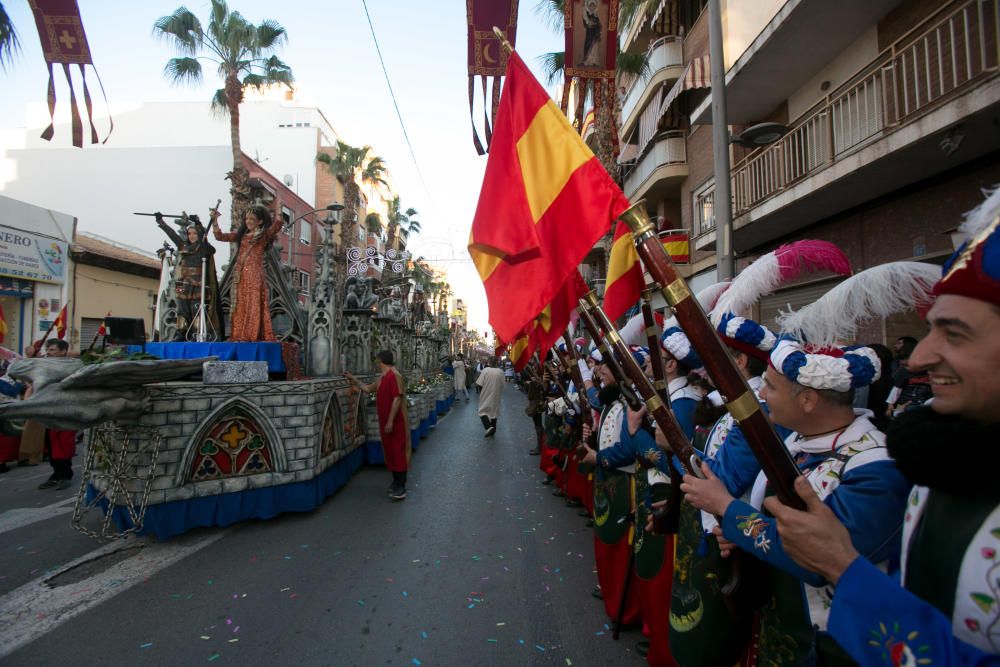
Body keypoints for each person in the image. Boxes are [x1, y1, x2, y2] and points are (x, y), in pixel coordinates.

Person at [762, 189, 1000, 664]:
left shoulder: (879, 464)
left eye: (954, 334)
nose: (919, 358)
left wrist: (840, 566)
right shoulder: (939, 473)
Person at [682, 338, 912, 665]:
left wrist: (729, 510)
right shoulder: (797, 445)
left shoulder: (876, 467)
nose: (761, 395)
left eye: (771, 388)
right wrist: (738, 534)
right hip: (778, 624)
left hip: (833, 647)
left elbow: (819, 558)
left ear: (807, 399)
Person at [211, 203, 283, 342]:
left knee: (253, 304)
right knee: (240, 304)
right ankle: (240, 334)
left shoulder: (263, 236)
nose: (248, 222)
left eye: (252, 219)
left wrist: (280, 210)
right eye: (247, 219)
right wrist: (215, 220)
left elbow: (277, 225)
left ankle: (252, 335)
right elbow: (219, 236)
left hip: (255, 275)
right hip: (240, 275)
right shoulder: (241, 236)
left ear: (260, 221)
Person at [346, 350, 411, 500]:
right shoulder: (382, 378)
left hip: (396, 422)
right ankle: (395, 482)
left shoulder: (394, 375)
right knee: (390, 452)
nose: (376, 364)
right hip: (386, 423)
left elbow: (397, 398)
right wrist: (353, 378)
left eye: (377, 361)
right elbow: (368, 388)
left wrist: (390, 420)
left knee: (398, 452)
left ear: (381, 361)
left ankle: (401, 485)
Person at [155, 212, 222, 341]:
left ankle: (196, 333)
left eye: (194, 233)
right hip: (183, 283)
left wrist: (197, 223)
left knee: (196, 309)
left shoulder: (203, 247)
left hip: (198, 284)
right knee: (182, 310)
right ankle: (181, 333)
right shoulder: (183, 246)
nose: (191, 236)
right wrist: (161, 222)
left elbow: (204, 234)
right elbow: (173, 235)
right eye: (189, 233)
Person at [35, 339, 78, 490]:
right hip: (50, 408)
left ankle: (65, 474)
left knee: (63, 442)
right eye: (49, 350)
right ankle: (56, 474)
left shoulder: (72, 367)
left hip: (66, 409)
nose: (49, 352)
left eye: (52, 350)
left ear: (63, 351)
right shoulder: (46, 365)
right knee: (51, 442)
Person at [476, 357, 504, 437]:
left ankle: (488, 427)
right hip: (496, 394)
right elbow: (503, 385)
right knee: (494, 412)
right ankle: (493, 429)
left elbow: (479, 383)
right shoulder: (500, 372)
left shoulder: (486, 370)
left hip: (486, 393)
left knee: (482, 411)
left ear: (489, 362)